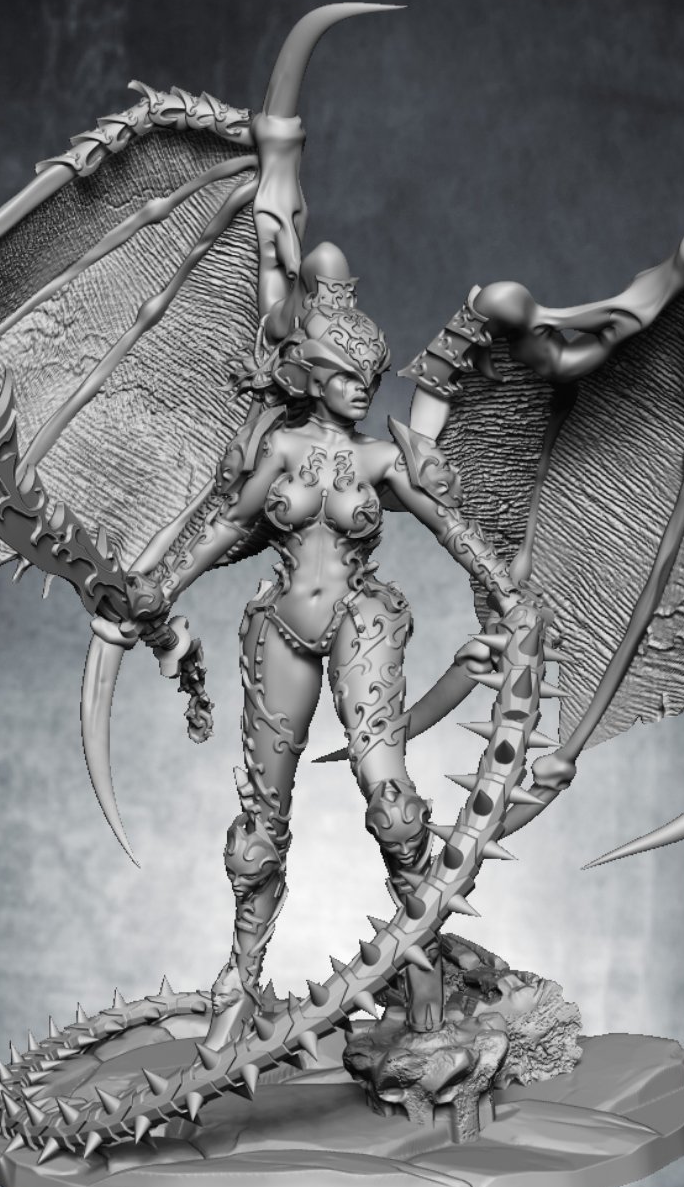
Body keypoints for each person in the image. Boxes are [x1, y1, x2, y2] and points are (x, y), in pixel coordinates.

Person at [125, 243, 522, 1048]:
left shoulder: (382, 457)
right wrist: (162, 585)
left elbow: (451, 527)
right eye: (346, 375)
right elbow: (228, 526)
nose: (362, 387)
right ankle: (239, 987)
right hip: (279, 626)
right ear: (310, 374)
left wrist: (507, 595)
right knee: (259, 826)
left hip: (360, 621)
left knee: (393, 804)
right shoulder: (276, 450)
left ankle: (423, 984)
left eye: (368, 375)